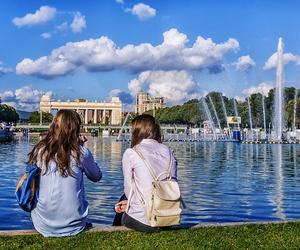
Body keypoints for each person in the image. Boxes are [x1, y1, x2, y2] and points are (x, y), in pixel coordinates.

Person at [27, 110, 102, 237]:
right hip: (74, 224)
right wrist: (82, 149)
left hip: (43, 224)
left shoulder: (40, 150)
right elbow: (96, 177)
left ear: (54, 125)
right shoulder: (81, 153)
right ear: (76, 128)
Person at [114, 114, 178, 232]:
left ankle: (114, 231)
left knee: (122, 201)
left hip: (144, 220)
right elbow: (171, 183)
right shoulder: (170, 152)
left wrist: (129, 203)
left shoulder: (131, 153)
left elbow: (128, 189)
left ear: (135, 132)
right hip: (168, 218)